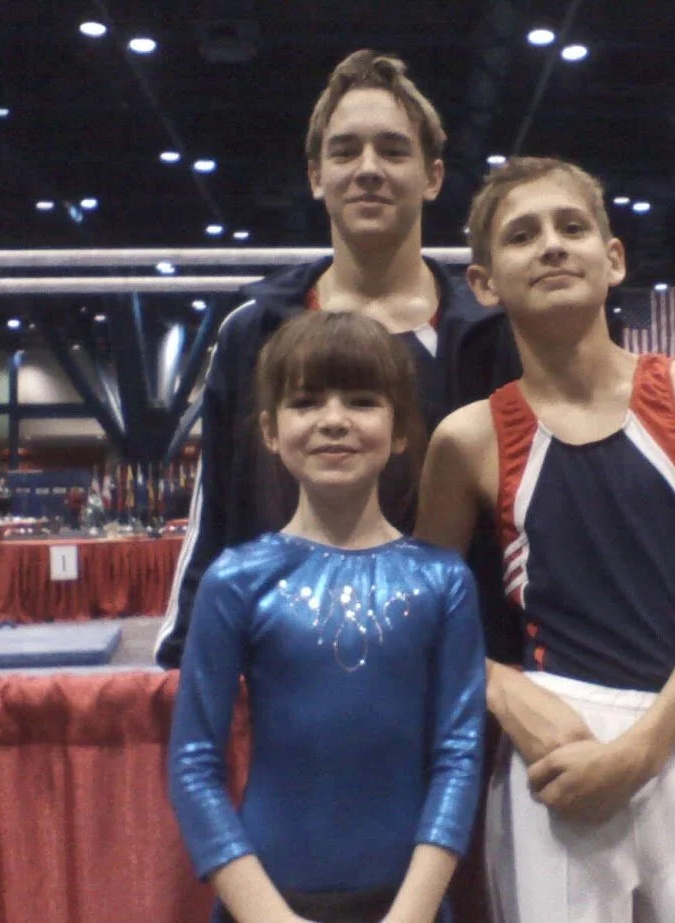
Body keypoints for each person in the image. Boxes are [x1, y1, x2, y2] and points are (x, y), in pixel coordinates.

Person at [415, 157, 675, 922]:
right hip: (557, 736)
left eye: (572, 227)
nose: (552, 245)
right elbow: (422, 612)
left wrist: (643, 747)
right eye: (523, 235)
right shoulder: (469, 440)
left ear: (612, 257)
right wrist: (501, 688)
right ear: (485, 283)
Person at [156, 49, 521, 670]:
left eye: (393, 150)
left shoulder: (493, 338)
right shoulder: (255, 331)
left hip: (465, 680)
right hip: (288, 675)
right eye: (346, 151)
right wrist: (182, 660)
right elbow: (215, 513)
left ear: (433, 177)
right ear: (315, 175)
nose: (369, 169)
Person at [168, 312, 485, 923]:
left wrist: (410, 914)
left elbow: (459, 755)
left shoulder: (443, 581)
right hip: (266, 905)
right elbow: (193, 765)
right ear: (269, 429)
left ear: (398, 432)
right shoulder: (236, 580)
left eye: (362, 401)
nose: (334, 420)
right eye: (307, 401)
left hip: (407, 905)